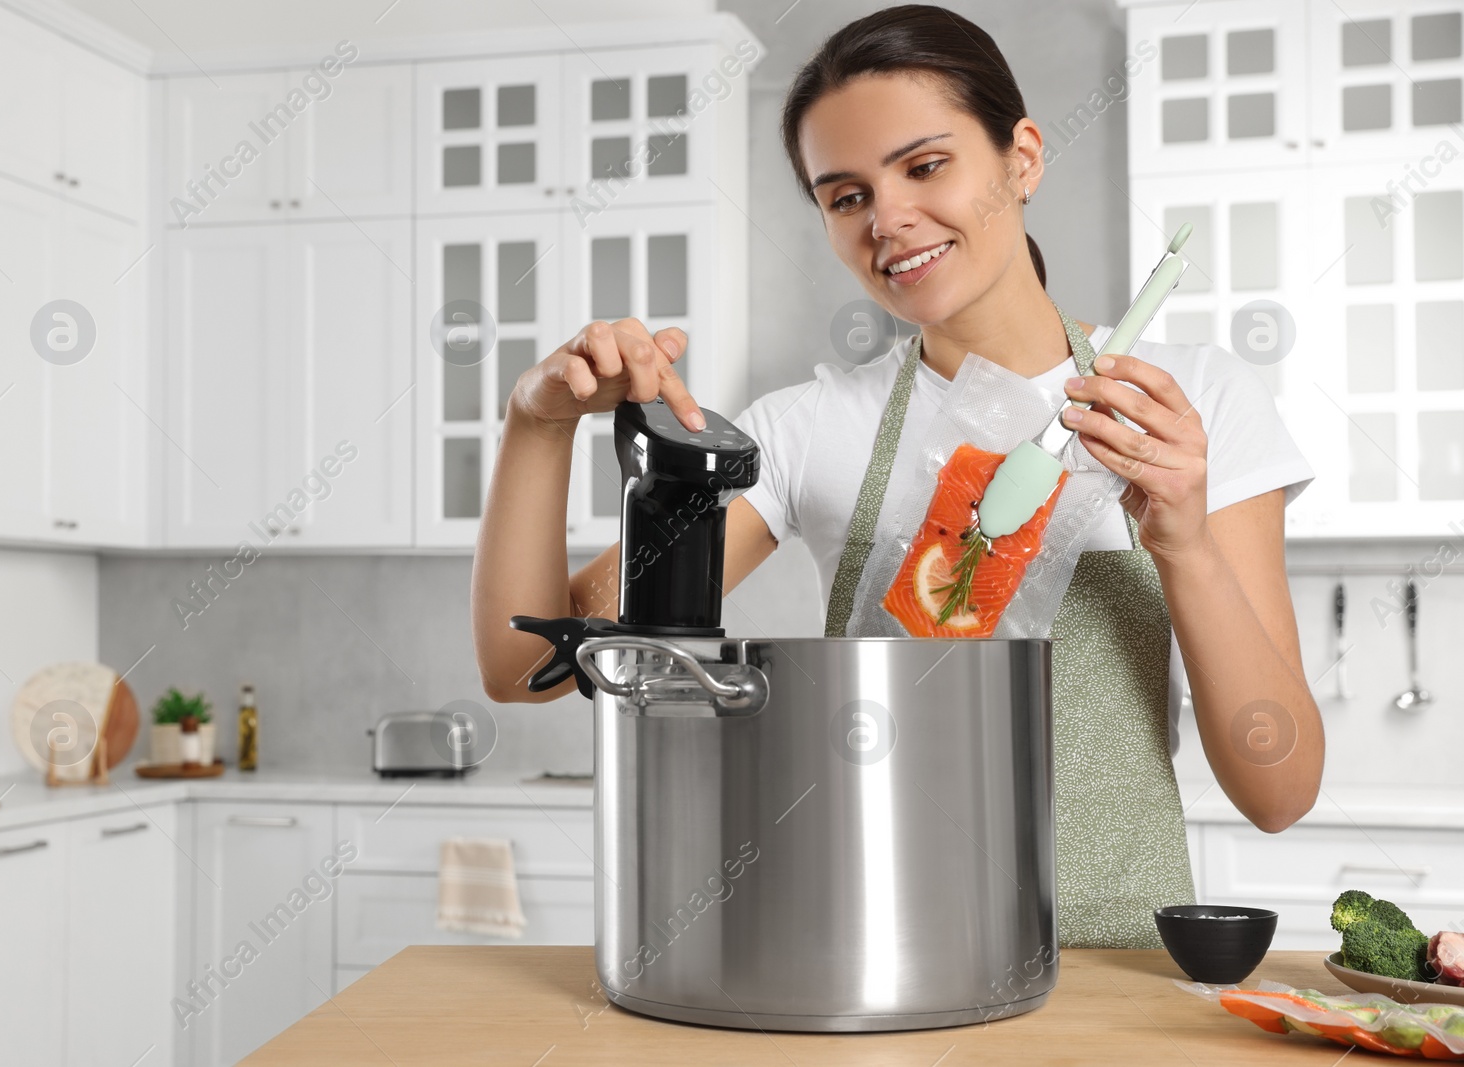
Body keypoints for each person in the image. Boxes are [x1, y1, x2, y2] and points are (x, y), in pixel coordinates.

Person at [471, 4, 1324, 949]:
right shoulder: (808, 428)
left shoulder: (1190, 405)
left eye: (925, 166)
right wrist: (535, 424)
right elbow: (527, 666)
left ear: (1023, 158)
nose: (889, 219)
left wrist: (1185, 542)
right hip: (874, 959)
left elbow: (1279, 789)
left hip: (1117, 977)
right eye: (844, 196)